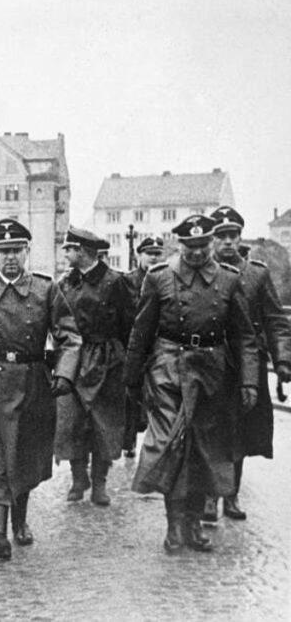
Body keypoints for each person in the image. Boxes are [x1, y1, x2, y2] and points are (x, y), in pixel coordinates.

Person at [0, 218, 81, 561]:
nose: (10, 258)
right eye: (4, 251)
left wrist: (64, 375)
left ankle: (19, 520)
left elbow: (70, 337)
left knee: (22, 454)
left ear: (27, 252)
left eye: (16, 250)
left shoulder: (45, 290)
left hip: (31, 380)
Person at [124, 214, 258, 554]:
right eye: (190, 246)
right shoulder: (160, 278)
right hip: (169, 366)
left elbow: (244, 336)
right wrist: (132, 378)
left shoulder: (229, 280)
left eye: (203, 245)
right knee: (173, 443)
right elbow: (141, 331)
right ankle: (173, 525)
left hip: (212, 371)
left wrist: (249, 381)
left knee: (204, 448)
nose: (197, 252)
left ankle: (195, 522)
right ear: (179, 244)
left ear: (211, 244)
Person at [202, 207, 291, 522]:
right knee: (210, 431)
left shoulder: (256, 273)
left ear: (240, 237)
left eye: (232, 235)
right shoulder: (203, 272)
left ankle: (231, 496)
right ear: (212, 239)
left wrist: (282, 360)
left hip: (246, 365)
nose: (227, 242)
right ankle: (210, 498)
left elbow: (276, 320)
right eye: (220, 236)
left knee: (238, 431)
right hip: (210, 363)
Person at [54, 227, 134, 506]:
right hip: (73, 359)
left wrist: (125, 361)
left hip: (107, 360)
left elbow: (129, 324)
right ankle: (79, 479)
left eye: (69, 249)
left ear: (83, 251)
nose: (65, 254)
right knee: (72, 422)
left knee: (104, 423)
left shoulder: (115, 282)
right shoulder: (66, 283)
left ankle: (99, 483)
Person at [122, 236, 166, 457]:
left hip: (159, 347)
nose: (154, 257)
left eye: (158, 253)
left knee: (159, 397)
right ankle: (128, 441)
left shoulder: (168, 279)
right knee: (131, 396)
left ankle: (156, 445)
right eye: (149, 253)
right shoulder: (128, 281)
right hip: (134, 346)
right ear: (139, 255)